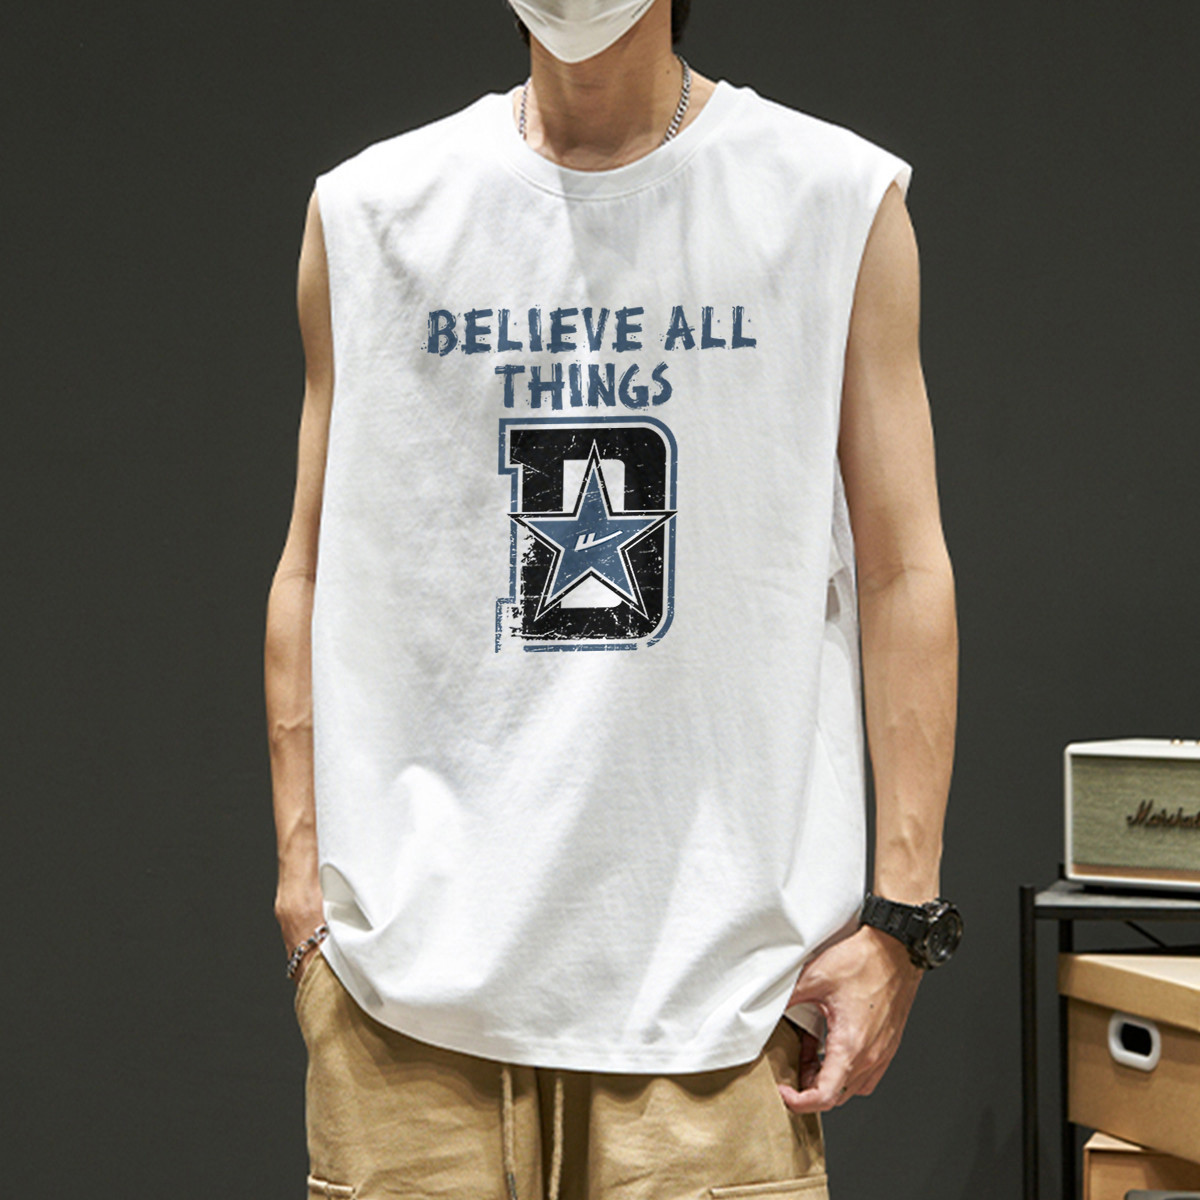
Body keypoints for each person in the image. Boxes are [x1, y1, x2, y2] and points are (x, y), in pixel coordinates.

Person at [263, 1, 960, 1196]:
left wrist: (902, 918)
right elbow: (312, 565)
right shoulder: (373, 212)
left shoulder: (830, 201)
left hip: (718, 998)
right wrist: (302, 882)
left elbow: (905, 570)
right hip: (405, 1003)